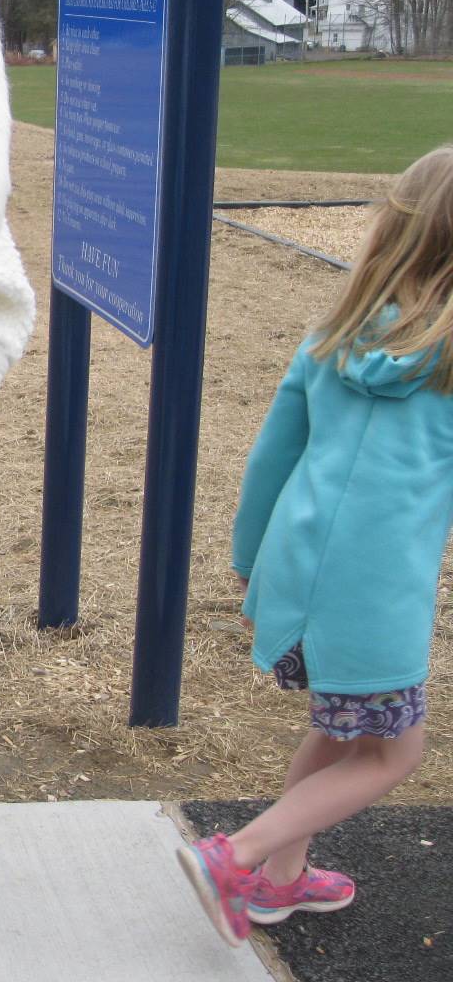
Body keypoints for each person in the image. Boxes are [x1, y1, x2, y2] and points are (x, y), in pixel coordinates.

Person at [178, 145, 453, 947]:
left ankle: (280, 882)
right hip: (375, 596)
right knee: (393, 752)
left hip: (299, 571)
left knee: (341, 730)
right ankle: (238, 855)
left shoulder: (332, 337)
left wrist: (247, 557)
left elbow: (274, 456)